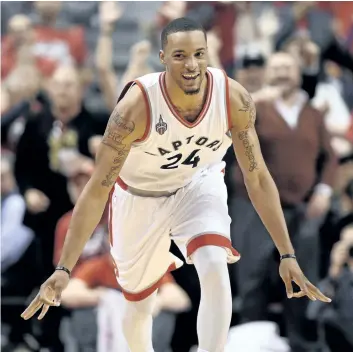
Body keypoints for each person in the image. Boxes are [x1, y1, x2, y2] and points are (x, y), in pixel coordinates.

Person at [21, 18, 331, 352]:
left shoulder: (233, 98)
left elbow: (257, 176)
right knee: (140, 305)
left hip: (196, 185)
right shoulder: (136, 107)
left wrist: (287, 252)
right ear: (163, 57)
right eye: (180, 55)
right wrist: (65, 267)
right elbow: (96, 189)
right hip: (139, 197)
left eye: (199, 53)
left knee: (213, 262)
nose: (192, 64)